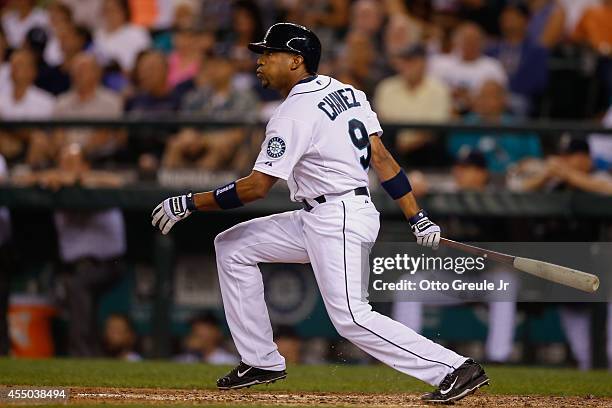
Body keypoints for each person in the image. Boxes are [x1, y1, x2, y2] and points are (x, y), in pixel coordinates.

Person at [152, 22, 488, 403]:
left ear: (296, 60)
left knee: (351, 317)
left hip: (337, 217)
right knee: (233, 245)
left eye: (269, 54)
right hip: (321, 213)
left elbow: (256, 187)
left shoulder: (293, 113)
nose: (260, 62)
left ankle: (454, 368)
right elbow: (381, 157)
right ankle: (260, 359)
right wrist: (416, 215)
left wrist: (191, 201)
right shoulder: (348, 92)